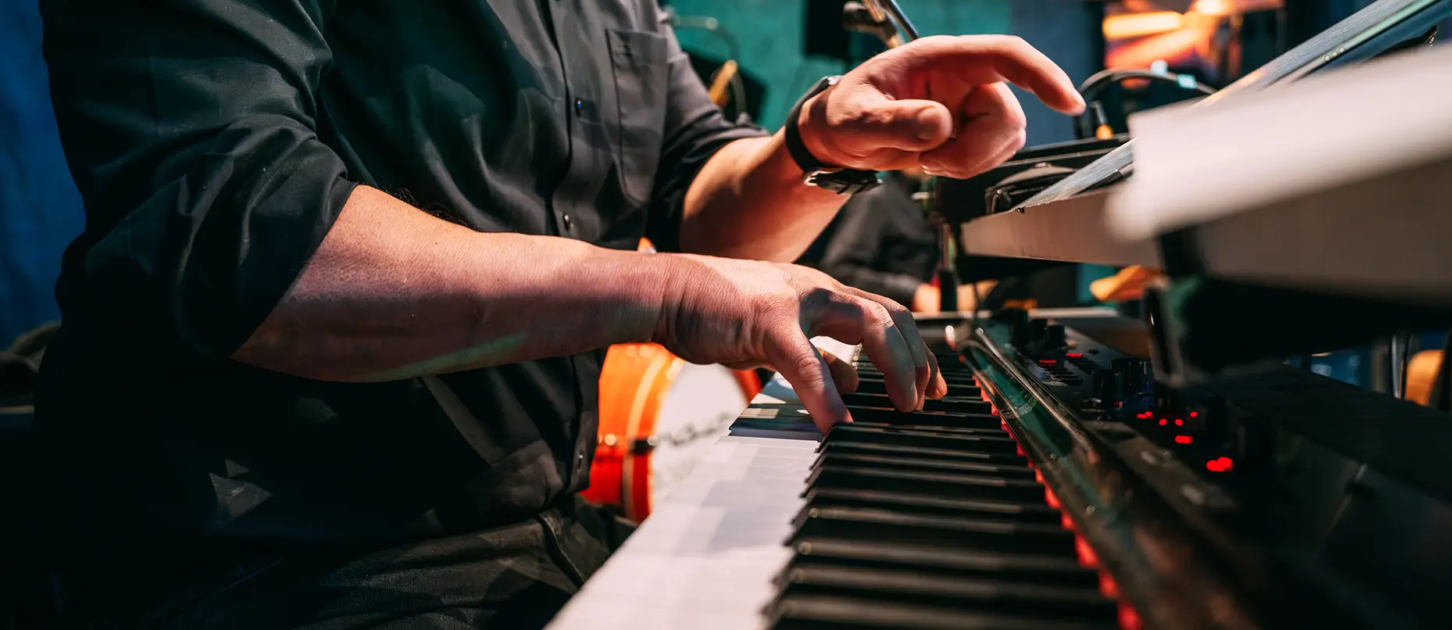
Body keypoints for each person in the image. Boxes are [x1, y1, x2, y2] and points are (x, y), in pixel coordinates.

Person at [26, 1, 1085, 628]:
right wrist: (666, 292)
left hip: (529, 518)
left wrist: (819, 147)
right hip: (269, 557)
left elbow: (697, 205)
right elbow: (239, 244)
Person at [795, 167, 997, 314]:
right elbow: (840, 270)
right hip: (877, 324)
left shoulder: (928, 198)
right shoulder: (878, 197)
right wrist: (913, 292)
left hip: (915, 324)